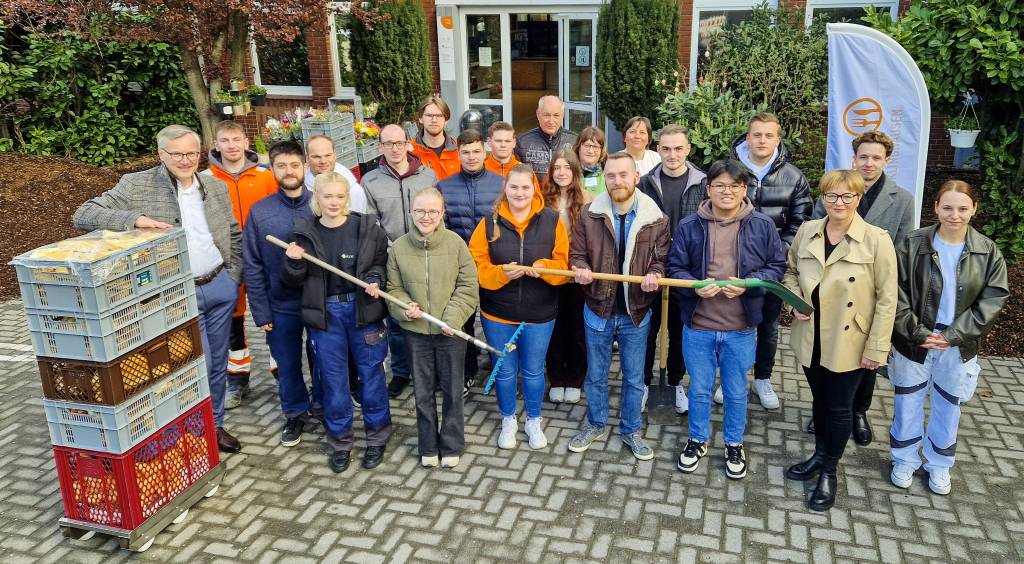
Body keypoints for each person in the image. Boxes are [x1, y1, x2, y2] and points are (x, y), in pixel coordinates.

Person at [73, 124, 244, 453]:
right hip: (178, 294)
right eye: (177, 154)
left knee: (218, 361)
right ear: (161, 154)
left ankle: (214, 423)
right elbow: (85, 213)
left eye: (191, 153)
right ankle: (184, 426)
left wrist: (232, 276)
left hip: (219, 285)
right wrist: (135, 220)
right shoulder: (137, 185)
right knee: (193, 364)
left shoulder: (214, 185)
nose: (185, 160)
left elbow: (233, 233)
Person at [783, 169, 897, 511]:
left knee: (837, 407)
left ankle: (829, 471)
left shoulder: (877, 239)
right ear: (823, 198)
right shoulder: (807, 231)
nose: (839, 202)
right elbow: (789, 271)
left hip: (851, 340)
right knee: (819, 402)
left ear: (859, 199)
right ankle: (819, 456)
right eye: (832, 195)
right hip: (812, 334)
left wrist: (877, 347)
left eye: (848, 196)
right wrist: (794, 299)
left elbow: (888, 298)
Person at [668, 159, 786, 479]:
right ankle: (698, 439)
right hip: (699, 325)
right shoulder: (689, 226)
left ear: (744, 189)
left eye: (734, 186)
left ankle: (734, 443)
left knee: (735, 391)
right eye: (719, 185)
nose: (727, 192)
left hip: (740, 327)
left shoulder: (761, 225)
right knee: (701, 389)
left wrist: (748, 285)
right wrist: (695, 287)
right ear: (708, 189)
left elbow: (777, 267)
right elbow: (674, 268)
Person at [889, 180, 1008, 495]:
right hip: (915, 340)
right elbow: (893, 291)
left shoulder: (987, 251)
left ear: (974, 210)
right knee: (908, 400)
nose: (955, 215)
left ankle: (939, 465)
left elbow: (993, 299)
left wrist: (953, 335)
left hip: (958, 345)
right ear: (936, 208)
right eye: (947, 207)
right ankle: (904, 458)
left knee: (948, 406)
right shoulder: (913, 243)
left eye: (962, 208)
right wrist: (916, 331)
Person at [807, 130, 915, 444]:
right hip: (833, 292)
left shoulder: (902, 200)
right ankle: (827, 410)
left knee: (865, 360)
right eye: (863, 157)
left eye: (876, 158)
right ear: (854, 158)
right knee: (827, 355)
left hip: (870, 293)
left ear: (886, 161)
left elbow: (902, 248)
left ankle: (858, 411)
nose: (868, 163)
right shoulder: (831, 194)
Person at [282, 172, 392, 473]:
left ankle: (377, 437)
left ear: (347, 197)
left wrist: (374, 279)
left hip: (363, 312)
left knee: (371, 377)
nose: (333, 202)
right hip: (326, 316)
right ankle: (341, 441)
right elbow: (292, 280)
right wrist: (293, 261)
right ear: (317, 198)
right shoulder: (304, 233)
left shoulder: (366, 228)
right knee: (334, 381)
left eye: (339, 196)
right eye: (327, 196)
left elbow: (381, 263)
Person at [567, 153, 669, 461]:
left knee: (634, 377)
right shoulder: (588, 215)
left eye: (623, 175)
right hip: (598, 306)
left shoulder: (657, 218)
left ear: (636, 177)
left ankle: (631, 430)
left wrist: (656, 275)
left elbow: (662, 260)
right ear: (604, 178)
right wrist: (580, 267)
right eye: (610, 176)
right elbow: (577, 254)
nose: (617, 181)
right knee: (596, 374)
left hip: (636, 311)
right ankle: (596, 423)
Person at [469, 164, 569, 450]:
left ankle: (534, 420)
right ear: (505, 189)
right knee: (504, 369)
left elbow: (564, 266)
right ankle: (508, 419)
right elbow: (475, 266)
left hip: (540, 313)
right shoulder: (489, 222)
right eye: (513, 187)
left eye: (525, 187)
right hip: (498, 313)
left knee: (534, 370)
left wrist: (545, 268)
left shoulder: (551, 220)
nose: (519, 193)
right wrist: (501, 273)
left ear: (534, 189)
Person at [386, 188, 479, 468]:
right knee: (423, 391)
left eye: (433, 211)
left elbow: (467, 286)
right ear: (411, 212)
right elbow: (394, 288)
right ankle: (428, 444)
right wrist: (404, 306)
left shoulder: (456, 245)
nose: (426, 217)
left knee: (452, 390)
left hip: (450, 332)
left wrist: (453, 316)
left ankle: (451, 444)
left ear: (442, 214)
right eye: (420, 211)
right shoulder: (400, 248)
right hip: (416, 334)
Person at [730, 112, 812, 410]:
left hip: (773, 268)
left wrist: (779, 256)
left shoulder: (793, 177)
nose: (762, 140)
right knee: (733, 325)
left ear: (778, 139)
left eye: (769, 135)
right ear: (747, 137)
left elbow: (800, 222)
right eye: (757, 134)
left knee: (767, 326)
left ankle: (763, 378)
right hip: (734, 264)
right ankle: (732, 377)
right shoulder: (732, 171)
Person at [242, 140, 318, 446]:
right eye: (281, 165)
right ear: (272, 169)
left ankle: (323, 407)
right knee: (287, 364)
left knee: (322, 359)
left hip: (317, 302)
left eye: (294, 165)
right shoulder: (261, 212)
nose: (289, 171)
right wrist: (260, 311)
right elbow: (252, 264)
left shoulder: (320, 205)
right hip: (280, 306)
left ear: (305, 167)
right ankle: (295, 413)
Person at [202, 120, 278, 410]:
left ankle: (280, 370)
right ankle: (238, 378)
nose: (232, 146)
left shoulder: (265, 176)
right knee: (233, 320)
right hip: (227, 260)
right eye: (225, 140)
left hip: (263, 258)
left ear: (246, 143)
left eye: (236, 140)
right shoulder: (206, 179)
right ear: (216, 144)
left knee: (271, 316)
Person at [362, 123, 439, 399]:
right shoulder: (369, 181)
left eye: (399, 143)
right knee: (397, 318)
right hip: (390, 256)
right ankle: (402, 371)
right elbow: (372, 224)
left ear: (409, 144)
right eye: (388, 143)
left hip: (426, 255)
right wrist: (395, 248)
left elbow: (438, 215)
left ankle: (431, 371)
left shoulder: (427, 176)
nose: (395, 148)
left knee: (427, 310)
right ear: (380, 146)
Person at [638, 124, 707, 414]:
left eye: (678, 148)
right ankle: (642, 383)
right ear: (658, 150)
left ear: (688, 149)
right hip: (650, 267)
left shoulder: (703, 183)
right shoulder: (644, 183)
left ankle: (676, 382)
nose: (672, 154)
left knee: (679, 330)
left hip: (686, 270)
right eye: (666, 148)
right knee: (646, 329)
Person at [439, 129, 505, 395]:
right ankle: (466, 372)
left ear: (485, 151)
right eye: (465, 152)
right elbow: (441, 228)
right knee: (462, 323)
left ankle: (501, 368)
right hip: (459, 268)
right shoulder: (445, 186)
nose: (471, 156)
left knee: (496, 320)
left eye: (476, 151)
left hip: (493, 265)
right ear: (458, 154)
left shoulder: (501, 183)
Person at [539, 148, 593, 404]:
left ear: (575, 171)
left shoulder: (589, 200)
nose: (562, 173)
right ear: (551, 171)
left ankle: (575, 378)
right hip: (550, 276)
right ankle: (556, 378)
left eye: (567, 168)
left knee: (576, 330)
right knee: (553, 328)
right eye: (557, 168)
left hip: (577, 277)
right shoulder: (541, 200)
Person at [514, 95, 579, 180]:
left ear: (562, 115)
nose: (551, 121)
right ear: (538, 114)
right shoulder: (522, 142)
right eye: (546, 115)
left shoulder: (575, 141)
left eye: (556, 115)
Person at [304, 134, 366, 213]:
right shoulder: (300, 187)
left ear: (334, 155)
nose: (323, 161)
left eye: (327, 155)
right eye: (316, 157)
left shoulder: (353, 191)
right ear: (307, 158)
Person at [410, 94, 460, 180]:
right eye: (429, 115)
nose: (434, 120)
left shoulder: (460, 150)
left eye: (439, 116)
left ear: (446, 120)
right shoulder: (410, 152)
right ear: (421, 119)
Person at [573, 126, 608, 196]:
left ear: (601, 150)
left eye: (595, 147)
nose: (590, 151)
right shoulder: (569, 172)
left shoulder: (609, 174)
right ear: (578, 147)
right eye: (587, 145)